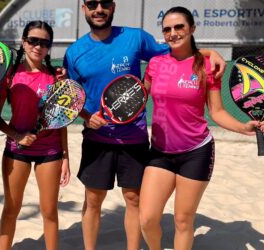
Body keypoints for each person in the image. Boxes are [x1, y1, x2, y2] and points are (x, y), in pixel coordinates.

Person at [63, 1, 227, 249]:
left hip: (134, 137)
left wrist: (208, 53)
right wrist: (87, 117)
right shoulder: (75, 51)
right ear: (83, 8)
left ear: (113, 7)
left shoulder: (135, 38)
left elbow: (175, 49)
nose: (99, 8)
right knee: (93, 200)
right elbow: (72, 98)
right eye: (92, 3)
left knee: (133, 199)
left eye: (104, 3)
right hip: (97, 138)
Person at [139, 6, 264, 250]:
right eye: (167, 29)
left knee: (183, 221)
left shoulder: (207, 66)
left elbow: (216, 111)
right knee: (147, 218)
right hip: (161, 152)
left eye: (179, 27)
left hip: (196, 151)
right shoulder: (155, 64)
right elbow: (139, 98)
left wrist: (243, 127)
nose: (173, 33)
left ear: (192, 28)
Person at [0, 20, 71, 250]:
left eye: (44, 43)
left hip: (49, 151)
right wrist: (16, 135)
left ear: (49, 47)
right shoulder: (10, 76)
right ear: (23, 42)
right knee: (11, 209)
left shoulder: (56, 78)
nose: (38, 46)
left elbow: (61, 120)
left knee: (49, 211)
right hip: (16, 149)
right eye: (33, 40)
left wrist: (66, 156)